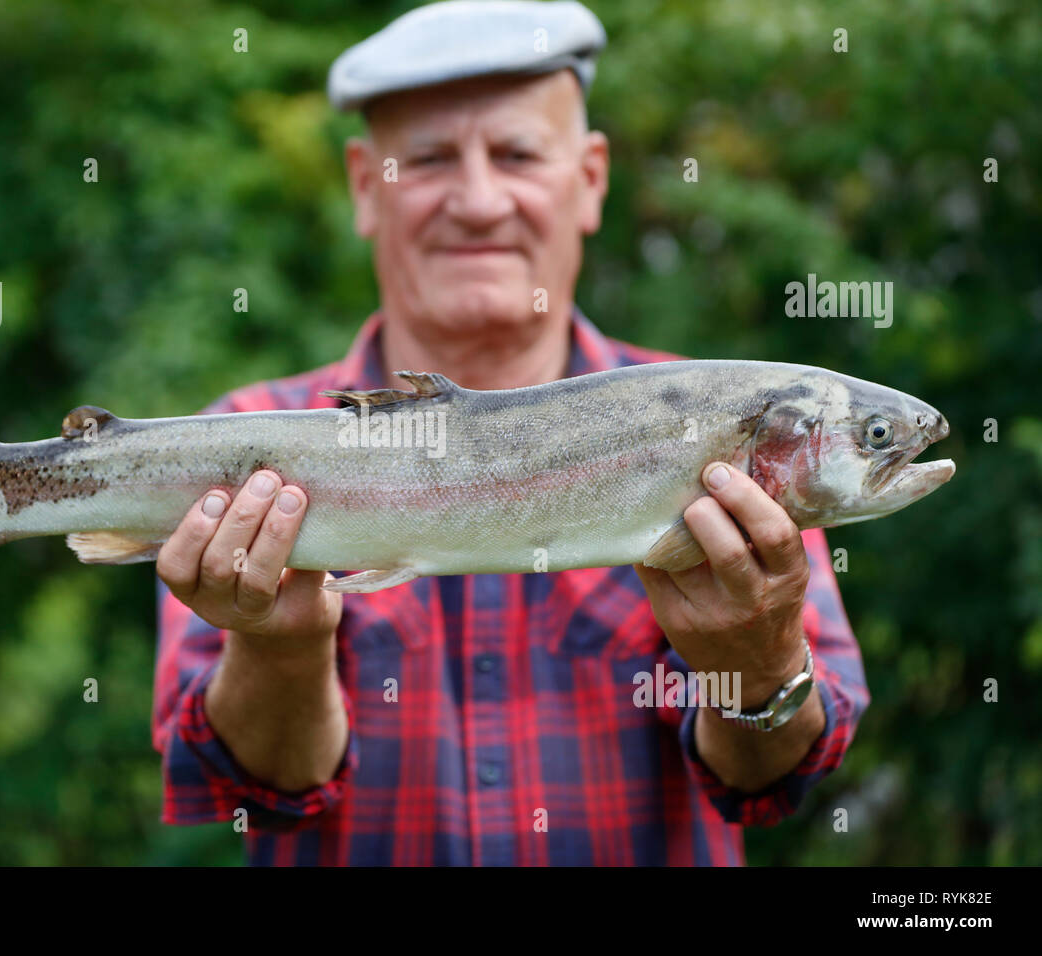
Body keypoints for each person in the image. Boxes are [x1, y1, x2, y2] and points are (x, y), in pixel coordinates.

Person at [151, 0, 868, 865]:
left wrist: (759, 665)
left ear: (592, 178)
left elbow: (777, 779)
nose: (480, 200)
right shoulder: (243, 440)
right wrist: (279, 647)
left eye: (518, 154)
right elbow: (249, 791)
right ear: (362, 187)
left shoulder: (726, 424)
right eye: (429, 159)